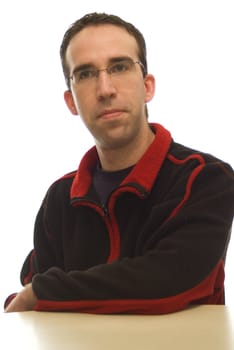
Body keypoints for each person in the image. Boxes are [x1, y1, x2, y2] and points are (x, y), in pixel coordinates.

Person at [4, 12, 234, 314]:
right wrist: (35, 295)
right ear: (71, 101)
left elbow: (171, 281)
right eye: (85, 74)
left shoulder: (205, 179)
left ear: (147, 86)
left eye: (120, 67)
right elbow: (31, 302)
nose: (105, 89)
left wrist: (43, 293)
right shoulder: (59, 199)